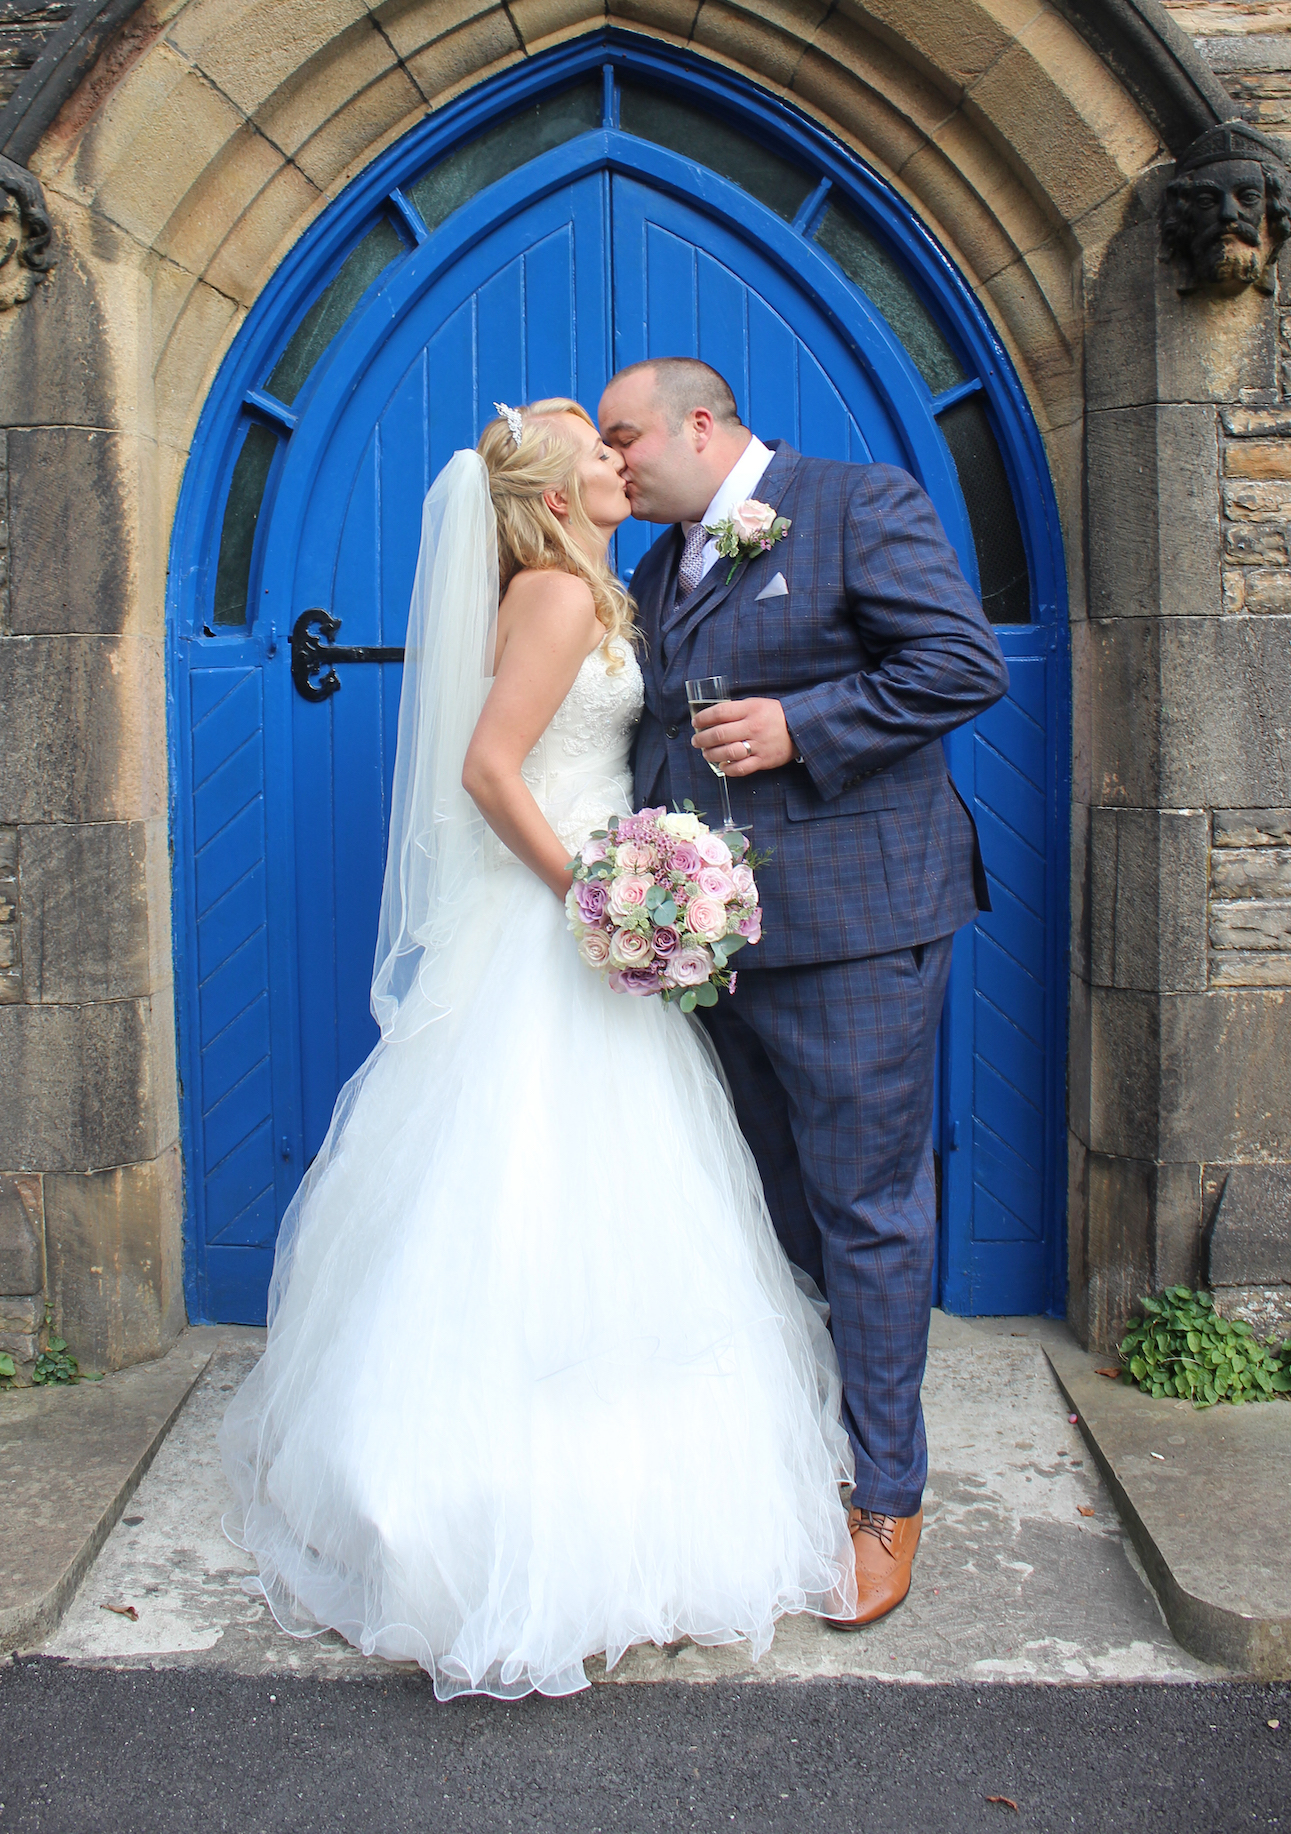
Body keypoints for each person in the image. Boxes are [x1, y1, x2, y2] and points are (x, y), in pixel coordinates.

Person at [220, 398, 855, 1701]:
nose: (622, 459)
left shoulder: (582, 586)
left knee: (601, 1204)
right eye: (598, 449)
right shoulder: (559, 598)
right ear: (559, 494)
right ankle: (512, 1526)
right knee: (540, 1193)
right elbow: (490, 768)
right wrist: (597, 895)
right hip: (553, 931)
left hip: (580, 918)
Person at [598, 358, 1009, 1628]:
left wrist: (802, 726)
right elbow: (659, 733)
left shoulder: (855, 504)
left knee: (868, 1213)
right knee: (775, 1212)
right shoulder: (655, 569)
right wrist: (639, 879)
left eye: (625, 437)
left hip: (857, 935)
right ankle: (805, 1450)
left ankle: (886, 1497)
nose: (614, 463)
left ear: (701, 424)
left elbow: (962, 664)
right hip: (717, 947)